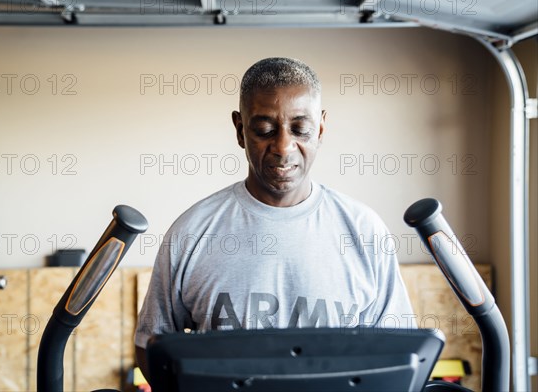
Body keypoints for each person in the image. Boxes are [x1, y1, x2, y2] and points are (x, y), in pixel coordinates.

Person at [134, 57, 415, 381]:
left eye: (300, 129)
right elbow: (149, 346)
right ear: (240, 130)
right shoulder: (192, 231)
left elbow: (397, 355)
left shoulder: (365, 231)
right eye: (265, 130)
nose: (283, 147)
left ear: (320, 129)